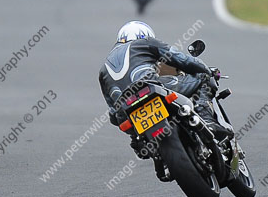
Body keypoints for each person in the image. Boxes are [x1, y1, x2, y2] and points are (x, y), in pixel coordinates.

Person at [98, 21, 233, 158]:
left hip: (125, 107)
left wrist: (133, 134)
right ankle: (208, 121)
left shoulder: (103, 69)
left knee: (129, 127)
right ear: (144, 35)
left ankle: (139, 143)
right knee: (203, 78)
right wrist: (207, 71)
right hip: (150, 87)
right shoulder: (145, 42)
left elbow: (114, 115)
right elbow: (183, 60)